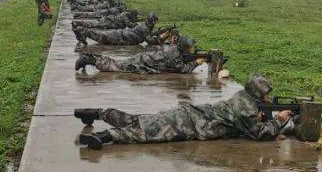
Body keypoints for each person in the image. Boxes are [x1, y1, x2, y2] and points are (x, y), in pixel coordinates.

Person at [74, 73, 292, 149]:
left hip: (189, 114)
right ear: (257, 94)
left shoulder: (242, 98)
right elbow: (260, 134)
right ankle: (104, 136)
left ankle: (97, 113)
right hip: (188, 124)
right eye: (266, 95)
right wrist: (279, 120)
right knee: (146, 133)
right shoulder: (247, 109)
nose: (269, 99)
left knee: (139, 120)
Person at [74, 36, 208, 74]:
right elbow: (182, 69)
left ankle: (88, 57)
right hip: (141, 64)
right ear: (184, 47)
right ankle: (87, 60)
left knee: (116, 63)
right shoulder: (174, 54)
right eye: (190, 47)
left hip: (143, 60)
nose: (192, 49)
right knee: (115, 66)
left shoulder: (176, 50)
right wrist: (196, 62)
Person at [73, 14, 164, 46]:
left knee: (100, 36)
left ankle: (82, 31)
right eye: (154, 21)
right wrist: (160, 38)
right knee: (100, 37)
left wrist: (157, 33)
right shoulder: (145, 28)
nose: (155, 23)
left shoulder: (145, 26)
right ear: (151, 21)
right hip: (120, 37)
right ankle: (82, 31)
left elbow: (149, 34)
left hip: (121, 35)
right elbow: (149, 41)